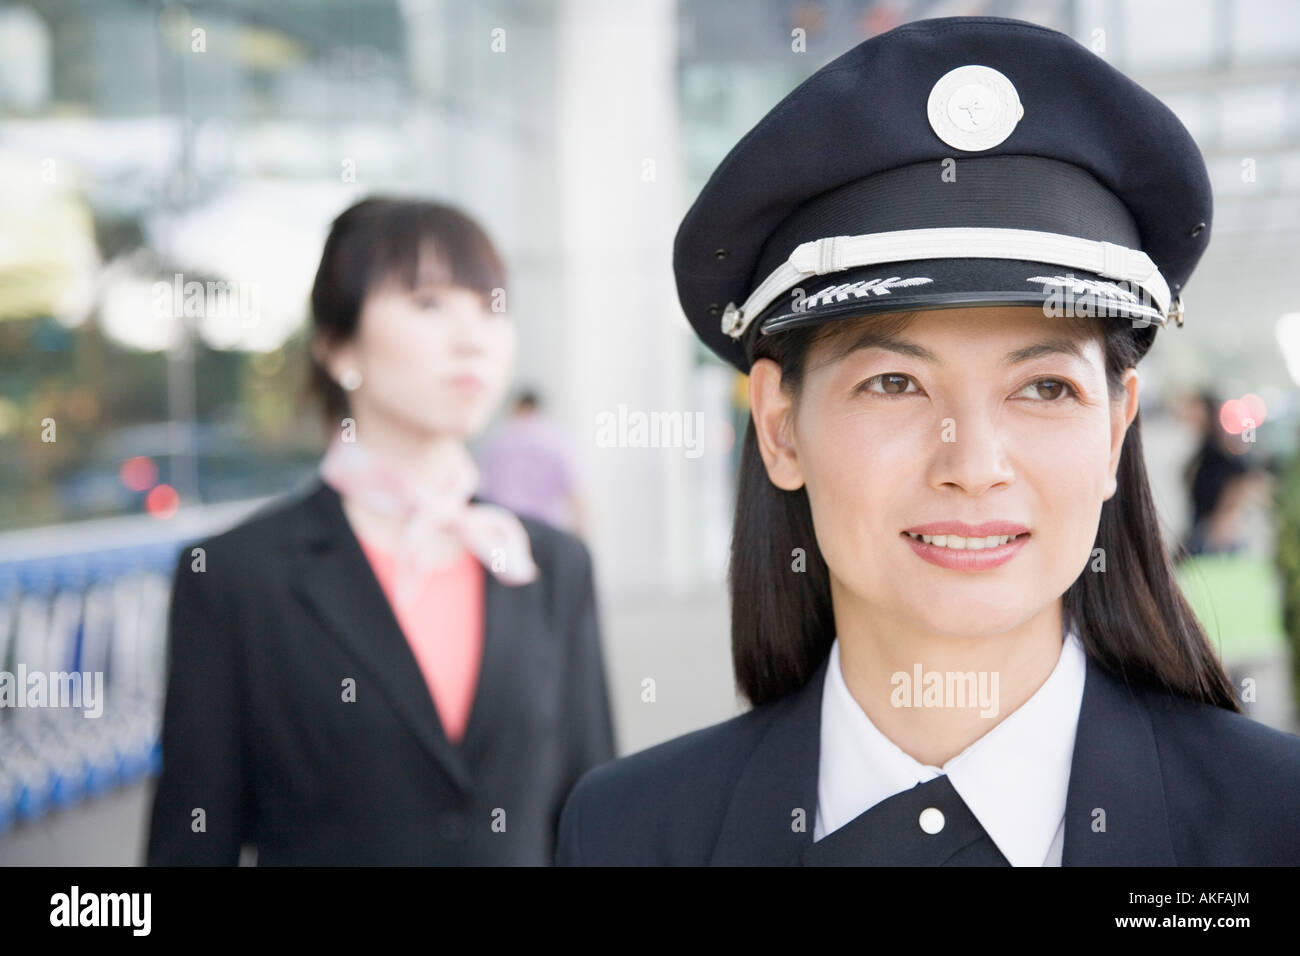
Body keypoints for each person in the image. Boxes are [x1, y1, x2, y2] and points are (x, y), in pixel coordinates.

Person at [555, 16, 1300, 866]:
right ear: (778, 426)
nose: (972, 466)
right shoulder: (628, 835)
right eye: (894, 384)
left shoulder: (1276, 824)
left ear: (1114, 431)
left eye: (1045, 388)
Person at [147, 197, 616, 865]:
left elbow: (592, 824)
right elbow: (192, 842)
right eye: (428, 303)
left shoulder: (548, 564)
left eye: (491, 307)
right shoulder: (236, 578)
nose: (472, 336)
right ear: (338, 348)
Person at [476, 390, 587, 535]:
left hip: (505, 530)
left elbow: (482, 489)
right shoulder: (556, 442)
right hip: (546, 532)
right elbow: (575, 493)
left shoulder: (497, 441)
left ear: (516, 407)